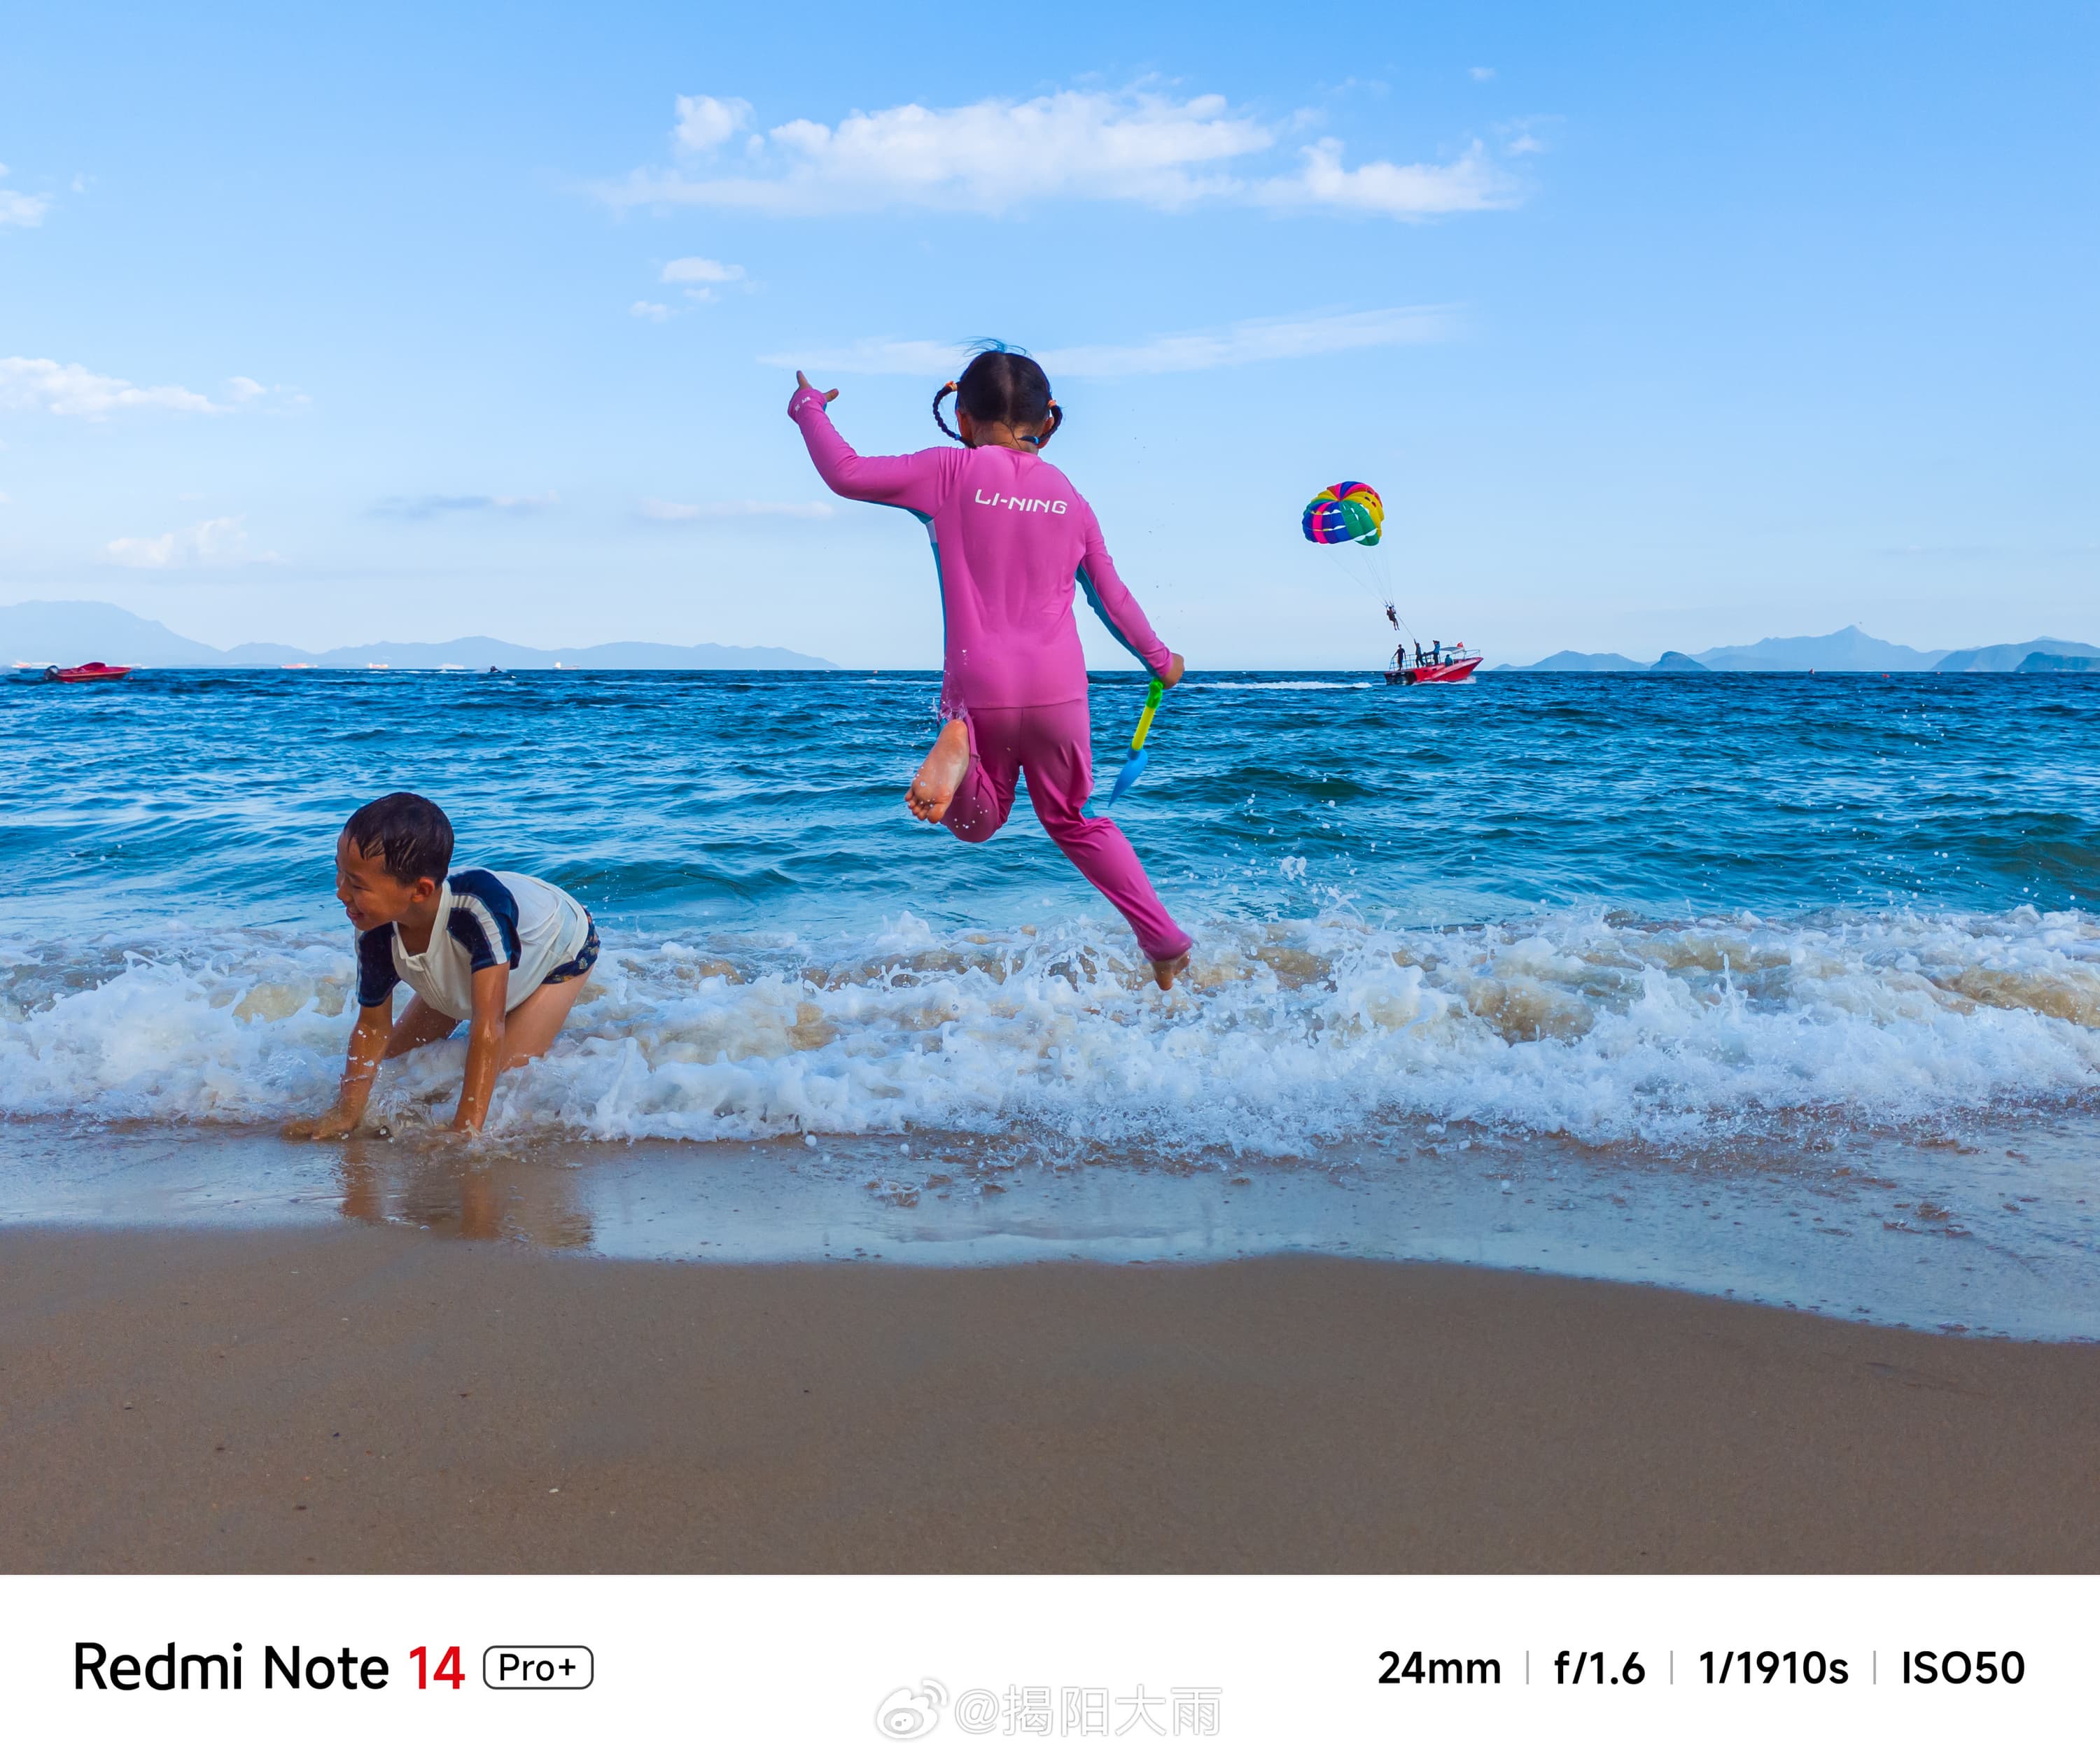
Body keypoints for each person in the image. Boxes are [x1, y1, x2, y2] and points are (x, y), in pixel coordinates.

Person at [787, 344, 1193, 989]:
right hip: (1060, 693)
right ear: (1048, 422)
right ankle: (1163, 939)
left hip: (981, 689)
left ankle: (958, 744)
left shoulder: (949, 471)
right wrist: (1161, 661)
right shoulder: (1072, 498)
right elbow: (1111, 599)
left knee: (978, 824)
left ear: (962, 418)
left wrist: (809, 407)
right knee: (1075, 821)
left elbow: (846, 472)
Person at [284, 792, 598, 1138]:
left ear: (420, 891)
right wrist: (346, 1113)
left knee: (504, 1080)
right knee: (393, 1064)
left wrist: (464, 1129)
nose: (341, 893)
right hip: (468, 962)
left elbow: (488, 1024)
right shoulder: (374, 928)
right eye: (340, 873)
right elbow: (372, 1027)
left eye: (357, 884)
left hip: (562, 949)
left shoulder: (477, 913)